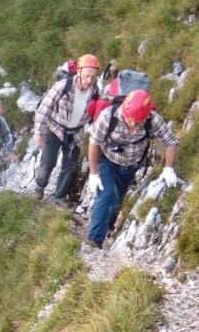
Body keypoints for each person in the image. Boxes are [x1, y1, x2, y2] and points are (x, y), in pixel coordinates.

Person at [86, 89, 179, 248]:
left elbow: (170, 142)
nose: (132, 123)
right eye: (129, 119)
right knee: (105, 194)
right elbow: (94, 144)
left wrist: (168, 168)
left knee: (116, 202)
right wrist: (93, 174)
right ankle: (95, 240)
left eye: (137, 121)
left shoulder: (152, 119)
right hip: (106, 160)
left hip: (129, 167)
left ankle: (105, 223)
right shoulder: (108, 117)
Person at [33, 54, 100, 204]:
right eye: (87, 76)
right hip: (54, 129)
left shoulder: (95, 91)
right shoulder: (63, 86)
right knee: (48, 163)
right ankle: (39, 187)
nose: (89, 80)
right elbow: (45, 108)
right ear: (79, 72)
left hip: (75, 134)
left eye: (93, 77)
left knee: (69, 166)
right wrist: (38, 132)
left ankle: (59, 197)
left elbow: (96, 111)